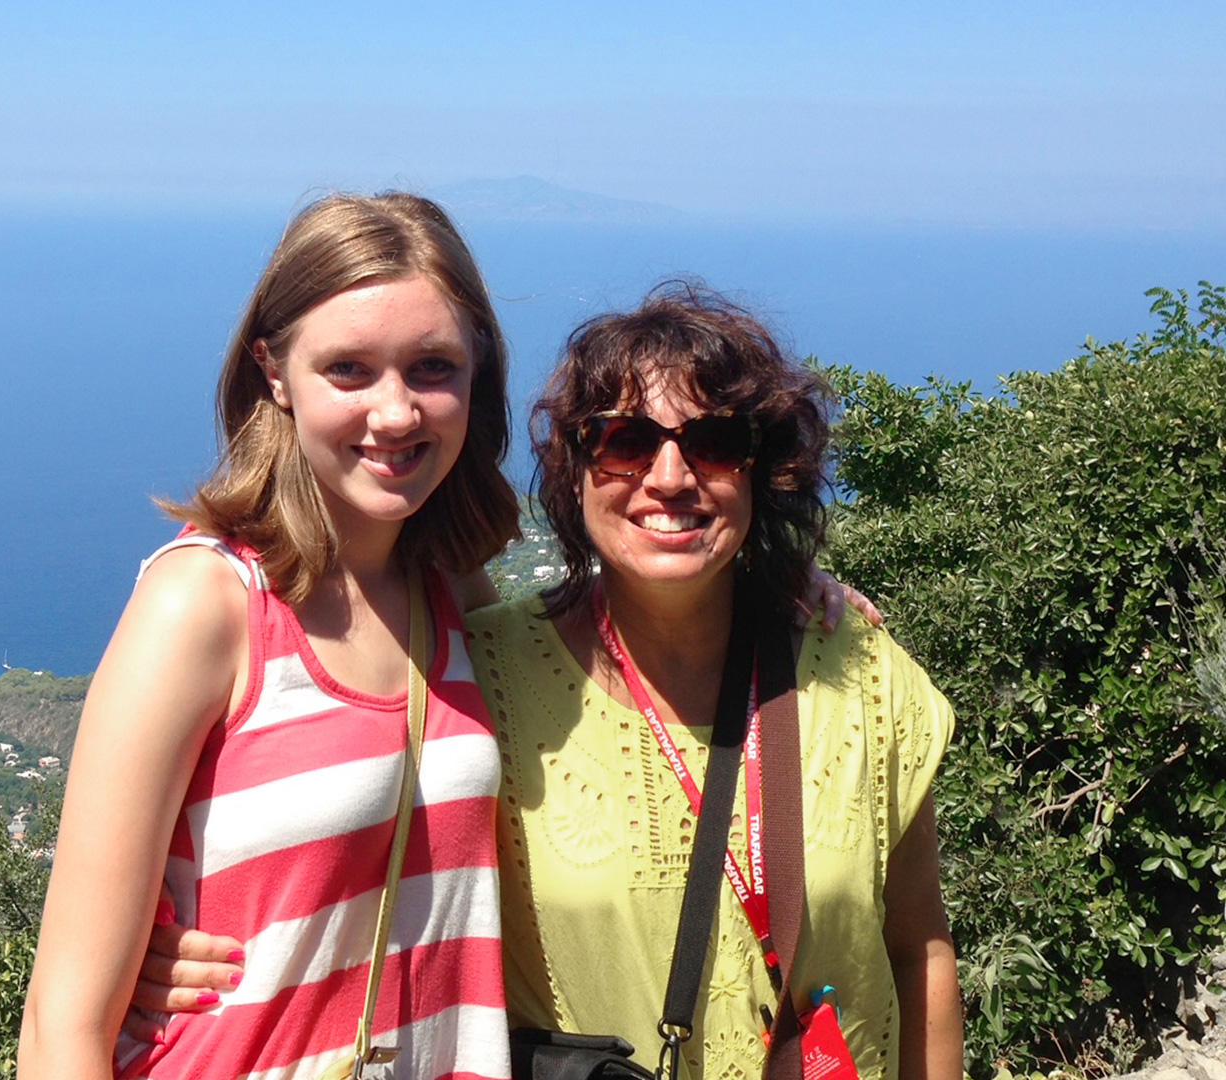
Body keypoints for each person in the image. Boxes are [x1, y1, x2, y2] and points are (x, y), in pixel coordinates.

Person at [131, 283, 960, 1080]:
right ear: (573, 471)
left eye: (713, 443)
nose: (669, 478)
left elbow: (918, 945)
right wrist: (163, 947)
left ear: (758, 468)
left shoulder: (856, 671)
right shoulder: (486, 673)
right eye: (625, 441)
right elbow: (351, 844)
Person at [17, 192, 522, 1080]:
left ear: (478, 371)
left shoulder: (451, 591)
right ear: (275, 373)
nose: (397, 412)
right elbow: (62, 1029)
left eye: (433, 367)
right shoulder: (205, 607)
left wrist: (788, 597)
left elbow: (617, 677)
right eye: (350, 370)